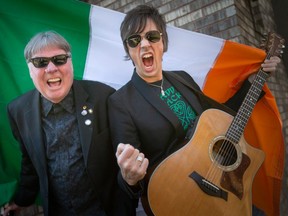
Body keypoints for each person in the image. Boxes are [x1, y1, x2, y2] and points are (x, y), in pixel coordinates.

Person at [107, 5, 281, 216]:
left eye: (152, 36)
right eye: (134, 40)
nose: (144, 44)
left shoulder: (182, 78)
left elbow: (222, 116)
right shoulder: (121, 102)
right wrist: (130, 179)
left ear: (163, 43)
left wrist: (255, 80)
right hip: (178, 200)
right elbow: (129, 173)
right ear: (129, 50)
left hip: (222, 188)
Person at [3, 31, 134, 216]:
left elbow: (126, 156)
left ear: (70, 63)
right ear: (29, 69)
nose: (51, 68)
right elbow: (30, 164)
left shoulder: (103, 97)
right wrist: (22, 201)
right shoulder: (18, 111)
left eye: (59, 59)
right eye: (41, 62)